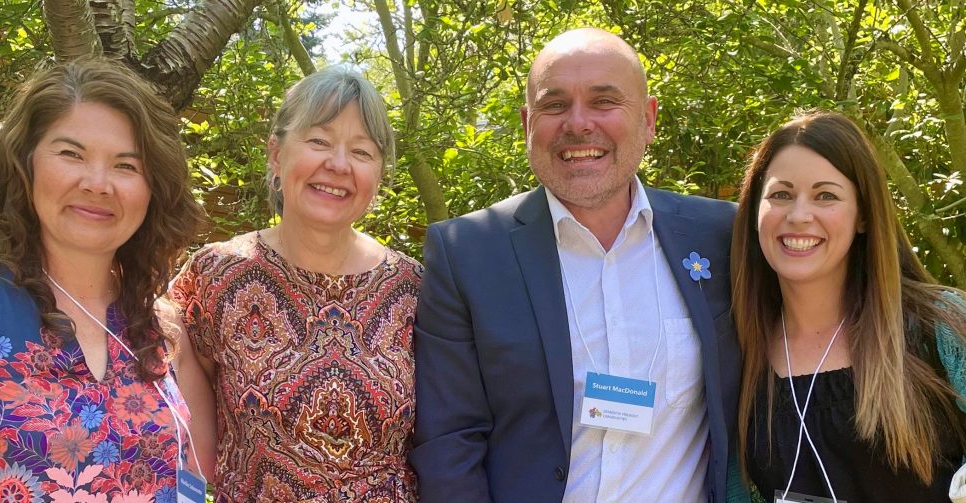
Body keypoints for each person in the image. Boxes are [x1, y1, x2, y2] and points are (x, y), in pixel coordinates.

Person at [412, 28, 740, 503]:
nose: (579, 123)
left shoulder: (721, 237)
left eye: (605, 101)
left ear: (648, 120)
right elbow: (449, 441)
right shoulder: (468, 251)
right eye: (555, 104)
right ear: (528, 123)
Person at [0, 57, 215, 503]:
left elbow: (203, 470)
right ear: (24, 165)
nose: (98, 183)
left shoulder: (161, 326)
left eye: (126, 165)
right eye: (71, 154)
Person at [171, 67, 422, 502]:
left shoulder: (413, 287)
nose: (338, 165)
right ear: (275, 153)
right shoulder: (216, 274)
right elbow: (186, 442)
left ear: (379, 172)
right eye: (319, 142)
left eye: (361, 152)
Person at [729, 110, 966, 502]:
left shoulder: (940, 326)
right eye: (781, 194)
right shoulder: (736, 348)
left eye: (826, 196)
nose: (799, 215)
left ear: (863, 216)